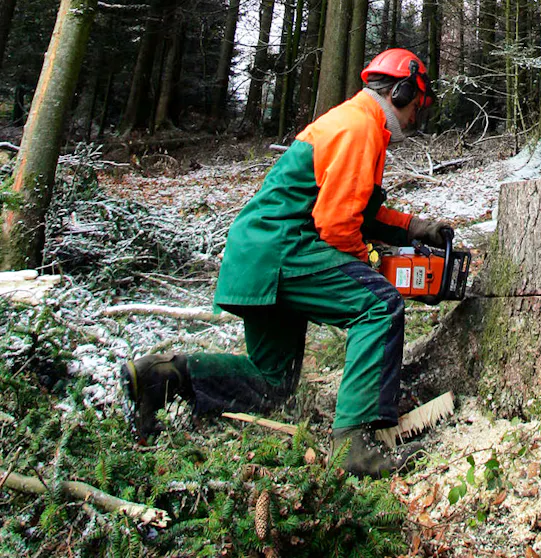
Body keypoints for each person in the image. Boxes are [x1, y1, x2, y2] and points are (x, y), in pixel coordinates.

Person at [120, 49, 449, 477]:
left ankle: (164, 376)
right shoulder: (359, 128)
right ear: (400, 92)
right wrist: (367, 266)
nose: (416, 116)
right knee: (379, 306)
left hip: (255, 257)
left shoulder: (355, 123)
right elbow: (337, 224)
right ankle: (355, 445)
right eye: (416, 105)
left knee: (273, 382)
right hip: (284, 248)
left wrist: (414, 229)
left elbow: (360, 209)